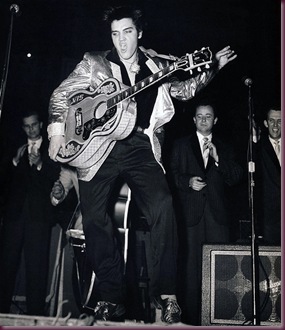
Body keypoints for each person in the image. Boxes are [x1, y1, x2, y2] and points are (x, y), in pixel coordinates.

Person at [47, 5, 237, 323]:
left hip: (139, 145)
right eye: (115, 34)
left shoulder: (157, 63)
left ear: (140, 33)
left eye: (128, 33)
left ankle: (167, 294)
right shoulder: (93, 62)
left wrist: (212, 66)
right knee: (93, 217)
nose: (122, 42)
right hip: (98, 147)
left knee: (163, 204)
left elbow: (185, 90)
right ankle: (111, 295)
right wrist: (55, 131)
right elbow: (60, 96)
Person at [169, 100, 243, 325]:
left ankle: (217, 320)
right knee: (191, 273)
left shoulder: (225, 146)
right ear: (193, 119)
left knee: (219, 272)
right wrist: (187, 181)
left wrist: (219, 159)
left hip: (218, 219)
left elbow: (236, 178)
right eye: (199, 116)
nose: (203, 120)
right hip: (190, 218)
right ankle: (191, 321)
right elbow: (170, 176)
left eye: (208, 116)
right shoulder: (181, 145)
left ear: (215, 120)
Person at [0, 110, 60, 316]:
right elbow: (8, 186)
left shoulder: (52, 148)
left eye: (34, 125)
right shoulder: (17, 149)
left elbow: (55, 182)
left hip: (39, 219)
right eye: (27, 126)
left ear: (41, 125)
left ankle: (34, 317)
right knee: (5, 267)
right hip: (14, 219)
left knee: (36, 269)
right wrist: (15, 163)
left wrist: (40, 165)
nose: (31, 129)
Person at [255, 106, 281, 245]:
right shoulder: (257, 148)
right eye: (272, 120)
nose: (275, 125)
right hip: (269, 220)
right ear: (265, 123)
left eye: (280, 121)